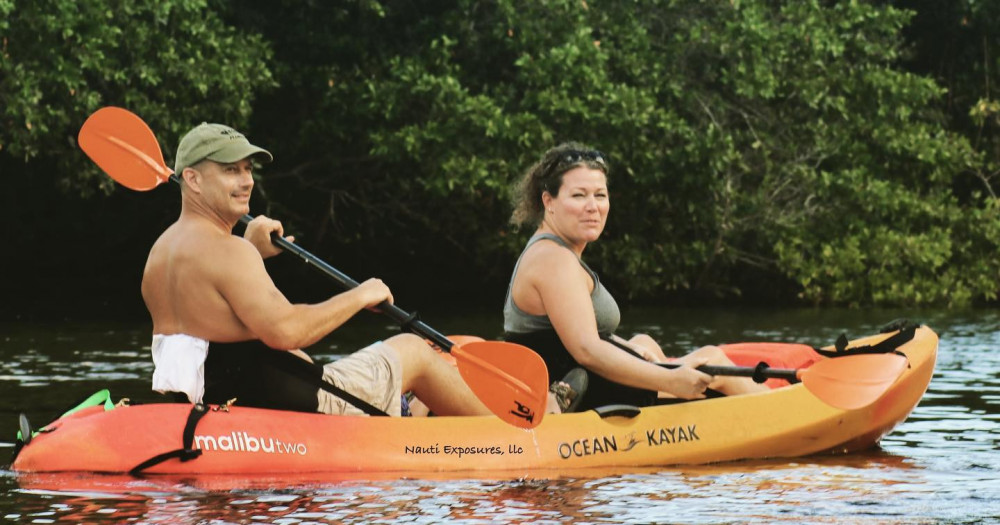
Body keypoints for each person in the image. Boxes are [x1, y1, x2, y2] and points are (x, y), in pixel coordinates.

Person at [141, 121, 493, 418]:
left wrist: (249, 248)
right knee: (414, 349)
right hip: (297, 402)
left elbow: (212, 324)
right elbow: (286, 331)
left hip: (227, 398)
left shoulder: (161, 253)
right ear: (193, 179)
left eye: (248, 169)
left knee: (444, 353)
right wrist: (360, 295)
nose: (246, 181)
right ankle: (516, 439)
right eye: (230, 170)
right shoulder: (228, 251)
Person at [503, 142, 769, 411]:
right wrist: (670, 379)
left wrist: (626, 348)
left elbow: (559, 336)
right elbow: (586, 350)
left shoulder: (551, 250)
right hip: (578, 394)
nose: (593, 207)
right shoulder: (555, 260)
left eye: (600, 195)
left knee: (644, 342)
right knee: (713, 360)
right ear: (549, 201)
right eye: (579, 195)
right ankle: (782, 413)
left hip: (577, 376)